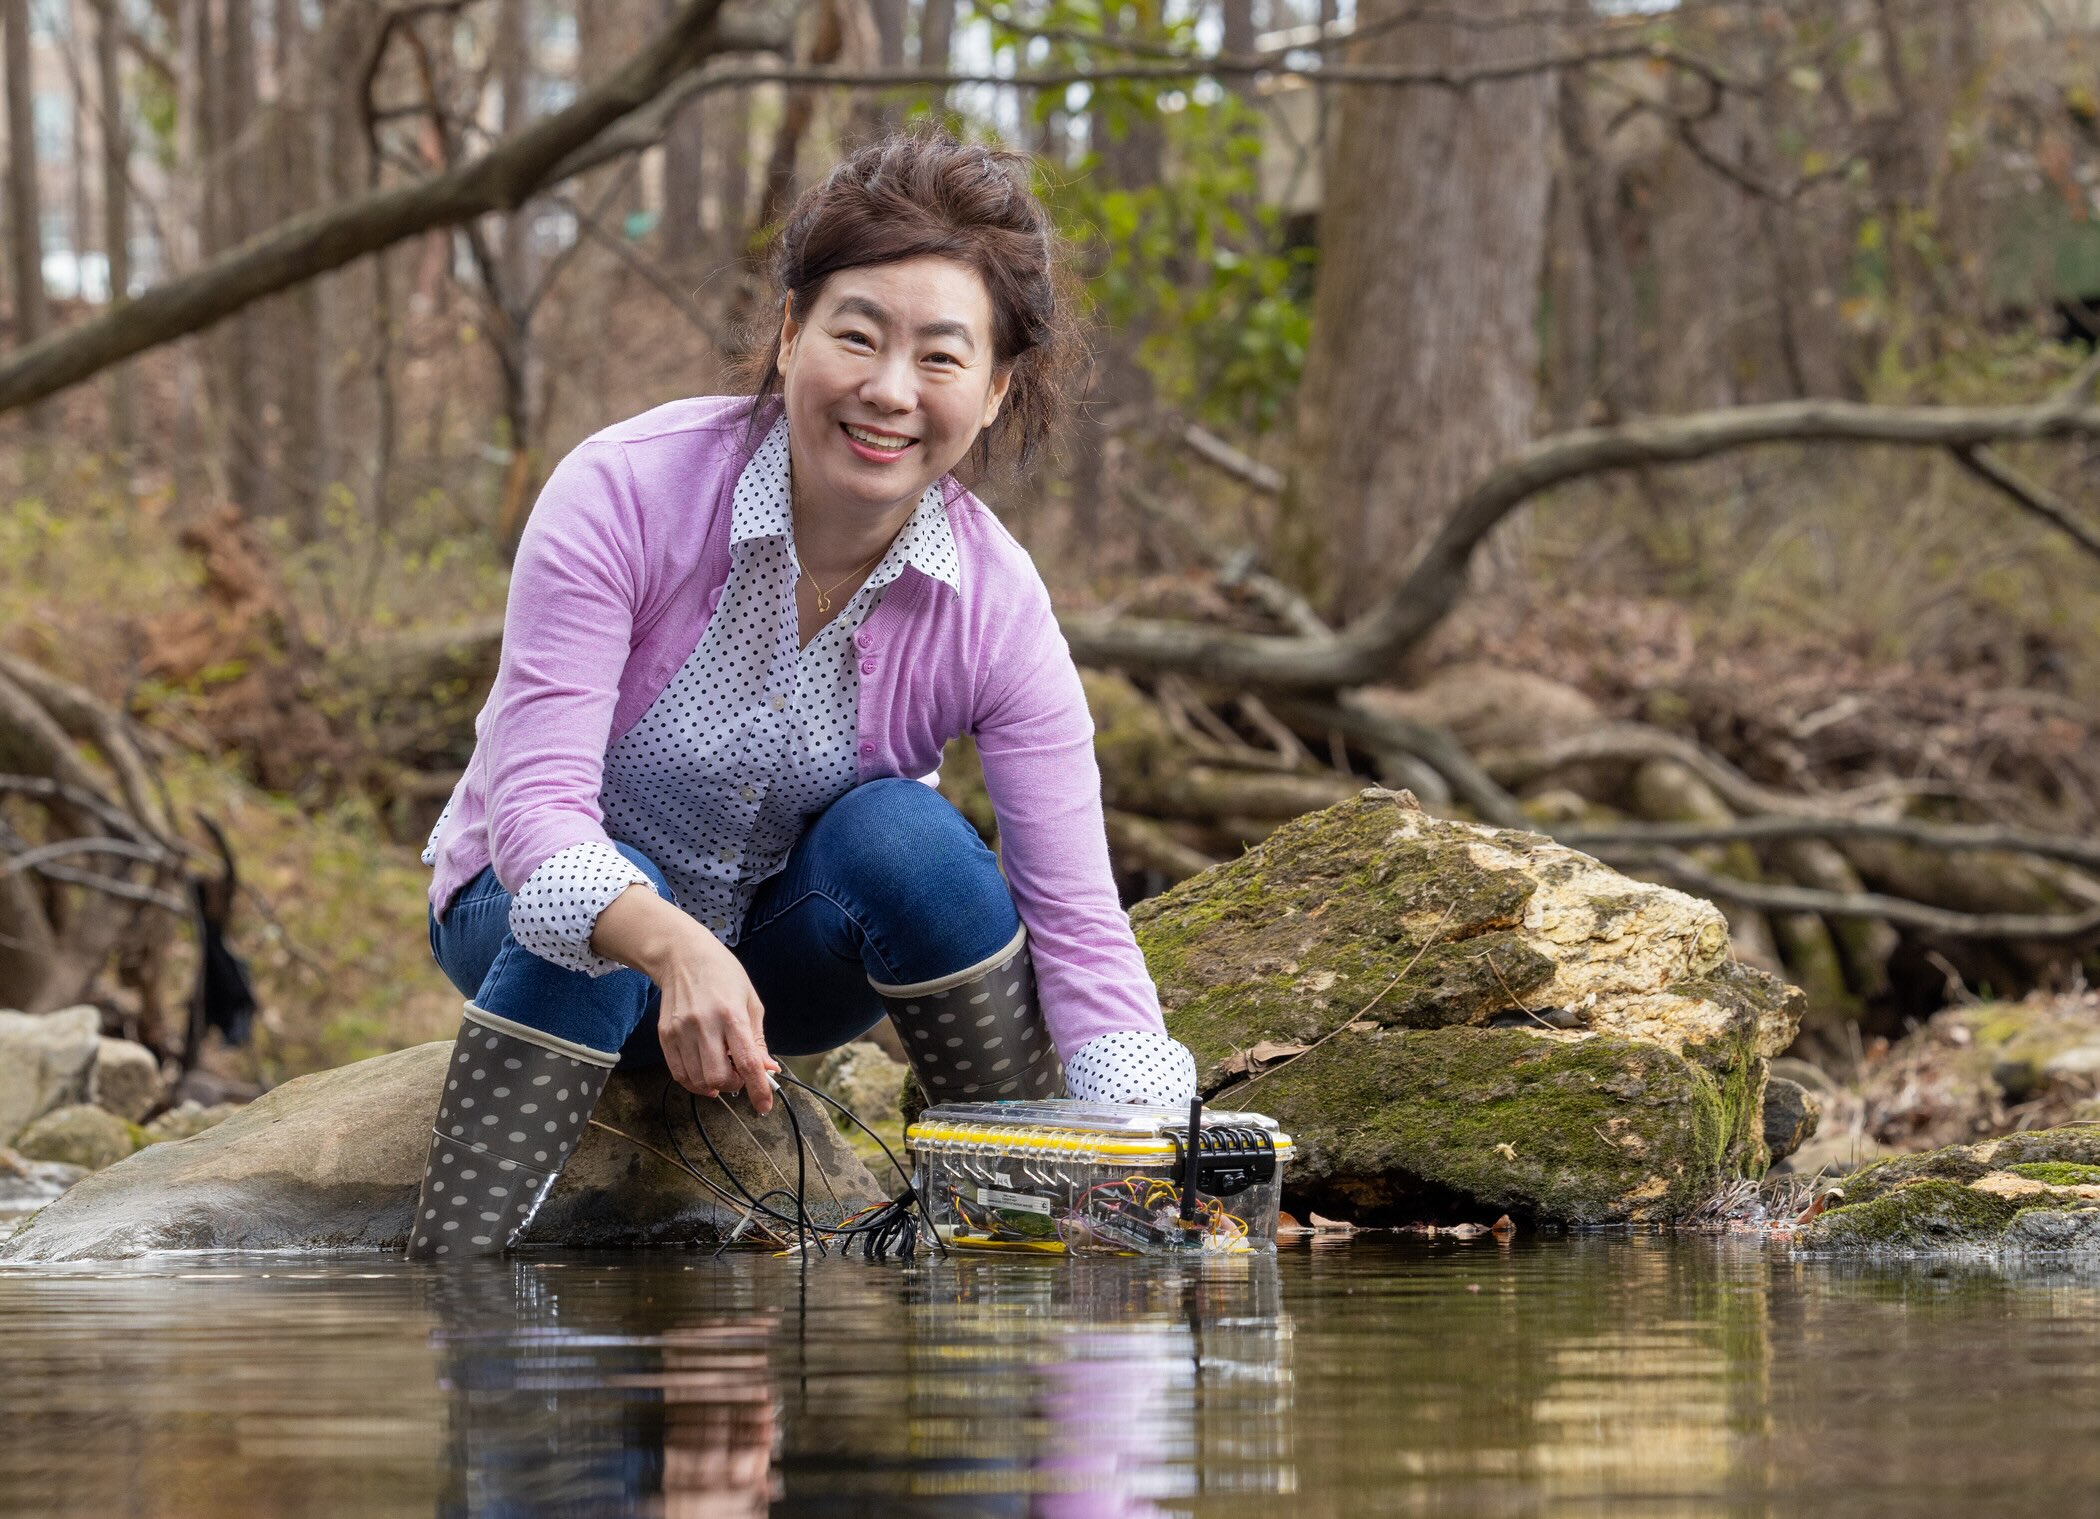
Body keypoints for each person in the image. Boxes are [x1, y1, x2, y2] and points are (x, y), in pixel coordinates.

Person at [407, 130, 1199, 1259]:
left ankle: (1022, 1230)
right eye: (858, 336)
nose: (889, 390)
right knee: (605, 885)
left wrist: (1157, 1140)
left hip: (780, 976)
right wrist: (676, 947)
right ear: (790, 333)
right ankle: (466, 1288)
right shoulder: (624, 492)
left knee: (912, 840)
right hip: (536, 929)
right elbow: (534, 820)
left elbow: (1076, 922)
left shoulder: (996, 605)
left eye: (939, 356)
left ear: (994, 388)